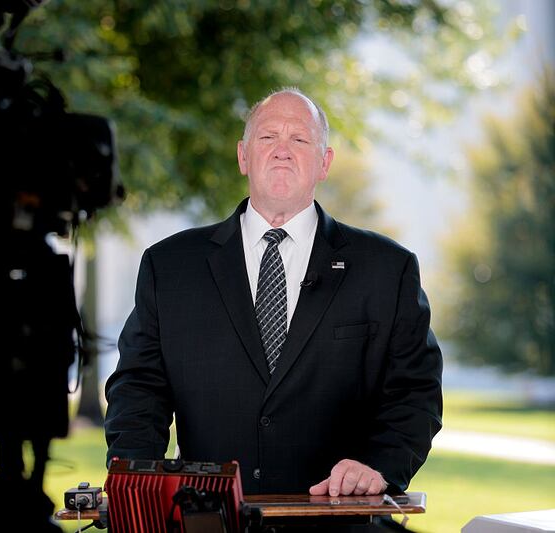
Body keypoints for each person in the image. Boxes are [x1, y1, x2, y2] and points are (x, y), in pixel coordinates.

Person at [104, 88, 443, 499]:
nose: (282, 151)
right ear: (243, 156)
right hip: (210, 519)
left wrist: (379, 465)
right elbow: (138, 389)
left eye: (299, 139)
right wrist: (138, 486)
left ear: (325, 162)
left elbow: (415, 390)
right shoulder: (169, 266)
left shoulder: (388, 269)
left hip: (340, 518)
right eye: (267, 138)